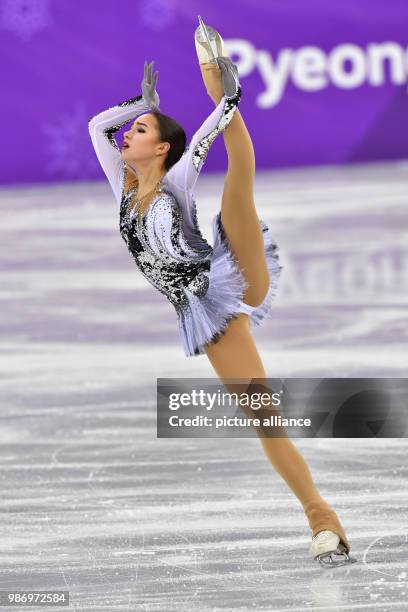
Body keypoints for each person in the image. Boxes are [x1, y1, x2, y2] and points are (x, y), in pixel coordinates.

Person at [88, 17, 356, 568]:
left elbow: (209, 136)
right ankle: (322, 516)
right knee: (263, 415)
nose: (126, 136)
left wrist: (225, 98)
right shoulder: (125, 187)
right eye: (131, 129)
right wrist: (138, 101)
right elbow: (96, 127)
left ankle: (320, 520)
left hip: (228, 277)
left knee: (240, 179)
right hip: (203, 314)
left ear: (161, 148)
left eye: (138, 129)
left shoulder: (176, 182)